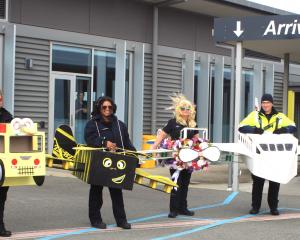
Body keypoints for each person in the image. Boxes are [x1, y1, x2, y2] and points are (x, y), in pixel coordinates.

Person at [239, 93, 297, 216]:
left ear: (272, 103)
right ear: (261, 104)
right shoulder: (254, 115)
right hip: (260, 155)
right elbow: (241, 127)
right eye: (264, 102)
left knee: (275, 182)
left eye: (268, 102)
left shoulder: (280, 116)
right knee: (258, 182)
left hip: (274, 155)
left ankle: (273, 207)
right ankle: (255, 207)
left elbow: (293, 126)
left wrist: (284, 130)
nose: (266, 105)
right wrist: (254, 130)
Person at [84, 96, 135, 229]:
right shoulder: (92, 124)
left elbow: (127, 143)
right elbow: (89, 139)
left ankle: (121, 220)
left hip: (116, 162)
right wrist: (104, 142)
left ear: (113, 109)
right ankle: (95, 220)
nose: (107, 109)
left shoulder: (120, 125)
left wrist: (135, 157)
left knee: (117, 192)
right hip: (98, 162)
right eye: (104, 107)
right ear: (99, 108)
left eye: (110, 107)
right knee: (96, 192)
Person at [151, 94, 198, 218]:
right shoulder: (173, 122)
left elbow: (197, 139)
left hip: (188, 158)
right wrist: (154, 146)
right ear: (179, 110)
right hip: (176, 157)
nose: (186, 111)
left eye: (188, 109)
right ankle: (173, 209)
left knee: (186, 183)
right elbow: (162, 135)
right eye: (183, 108)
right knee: (176, 182)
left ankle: (183, 207)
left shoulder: (193, 124)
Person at [0, 91, 13, 237]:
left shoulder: (7, 116)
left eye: (1, 99)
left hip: (3, 162)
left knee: (1, 196)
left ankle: (0, 227)